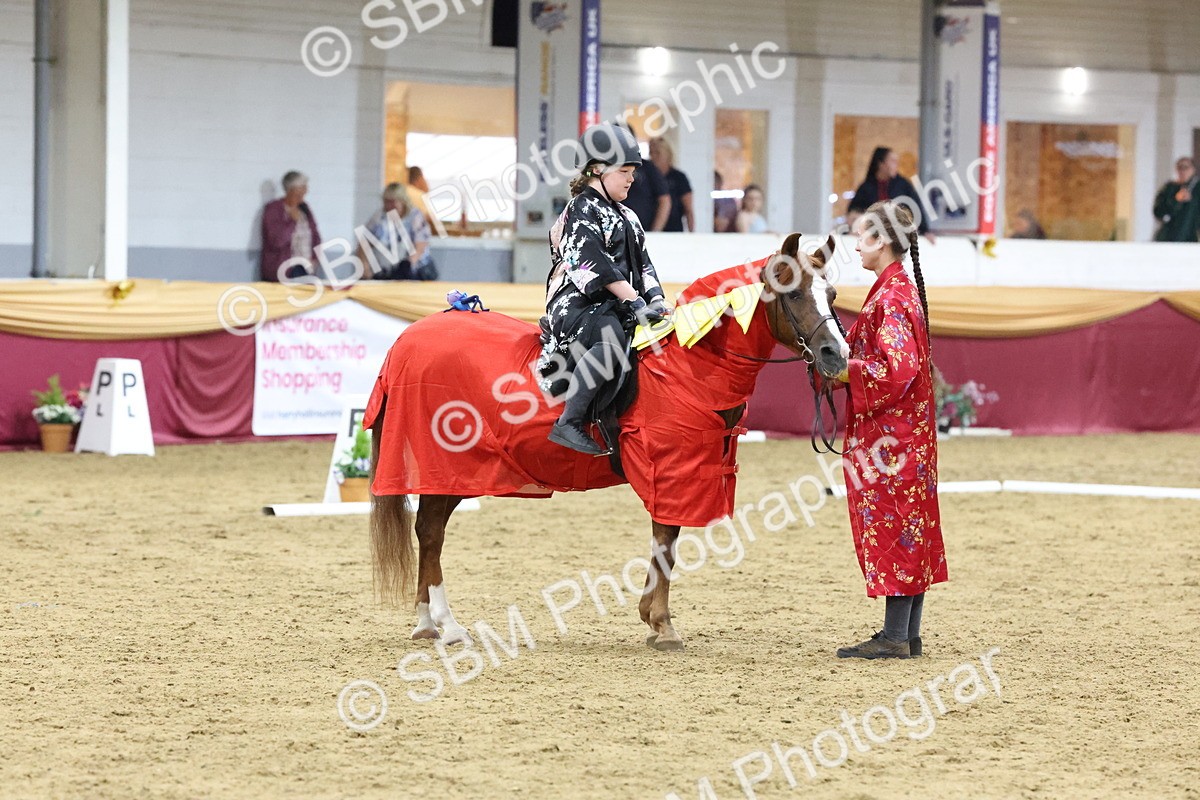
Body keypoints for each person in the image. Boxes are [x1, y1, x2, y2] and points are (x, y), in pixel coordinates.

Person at [832, 199, 948, 660]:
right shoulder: (897, 290)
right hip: (906, 435)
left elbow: (896, 371)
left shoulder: (892, 297)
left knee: (896, 524)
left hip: (891, 439)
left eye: (861, 235)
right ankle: (905, 634)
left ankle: (896, 637)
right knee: (910, 526)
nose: (856, 244)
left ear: (881, 241)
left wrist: (844, 370)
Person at [539, 123, 670, 455]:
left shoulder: (629, 216)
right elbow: (591, 264)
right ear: (597, 169)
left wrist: (655, 299)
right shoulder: (581, 209)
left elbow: (644, 264)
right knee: (610, 343)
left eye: (632, 173)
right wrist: (634, 300)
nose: (631, 179)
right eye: (624, 171)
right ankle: (569, 422)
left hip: (618, 302)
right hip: (578, 302)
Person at [847, 147, 937, 244]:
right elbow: (853, 212)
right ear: (881, 164)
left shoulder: (903, 185)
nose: (896, 165)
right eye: (892, 161)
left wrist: (925, 231)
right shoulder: (866, 187)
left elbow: (916, 207)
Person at [359, 182, 436, 280]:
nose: (389, 205)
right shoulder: (379, 217)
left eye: (393, 202)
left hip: (416, 270)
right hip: (388, 271)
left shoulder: (415, 216)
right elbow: (364, 243)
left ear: (402, 201)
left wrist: (408, 264)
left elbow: (420, 246)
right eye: (386, 201)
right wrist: (365, 265)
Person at [260, 171, 322, 282]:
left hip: (306, 267)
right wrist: (292, 221)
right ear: (292, 189)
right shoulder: (274, 209)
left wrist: (315, 258)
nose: (306, 191)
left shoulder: (304, 208)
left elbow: (315, 236)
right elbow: (276, 241)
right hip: (285, 269)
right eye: (302, 187)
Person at [621, 146, 671, 232]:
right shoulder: (611, 167)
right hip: (617, 229)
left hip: (644, 229)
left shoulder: (647, 167)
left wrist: (655, 231)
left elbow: (664, 200)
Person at [649, 138, 694, 232]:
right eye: (651, 153)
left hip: (673, 230)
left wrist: (692, 234)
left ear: (667, 154)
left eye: (657, 153)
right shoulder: (647, 176)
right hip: (648, 229)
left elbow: (688, 209)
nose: (653, 157)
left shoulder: (678, 178)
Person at [1153, 157, 1199, 242]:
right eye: (1180, 168)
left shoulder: (1197, 188)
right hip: (1168, 237)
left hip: (1191, 238)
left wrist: (1192, 201)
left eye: (1186, 167)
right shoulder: (1169, 188)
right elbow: (1158, 212)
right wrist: (1176, 200)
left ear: (1193, 169)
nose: (1183, 171)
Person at [406, 166, 437, 230]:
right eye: (423, 178)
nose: (425, 181)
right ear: (419, 179)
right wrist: (426, 190)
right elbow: (432, 219)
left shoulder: (403, 191)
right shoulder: (419, 195)